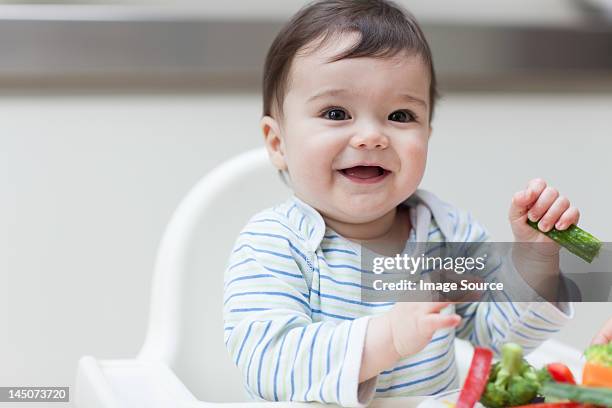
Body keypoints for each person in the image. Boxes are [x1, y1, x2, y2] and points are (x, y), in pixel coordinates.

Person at [222, 1, 580, 406]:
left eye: (400, 114)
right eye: (336, 112)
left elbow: (497, 341)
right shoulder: (273, 245)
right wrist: (388, 336)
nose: (371, 136)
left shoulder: (448, 235)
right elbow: (267, 361)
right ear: (277, 142)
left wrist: (534, 266)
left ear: (428, 132)